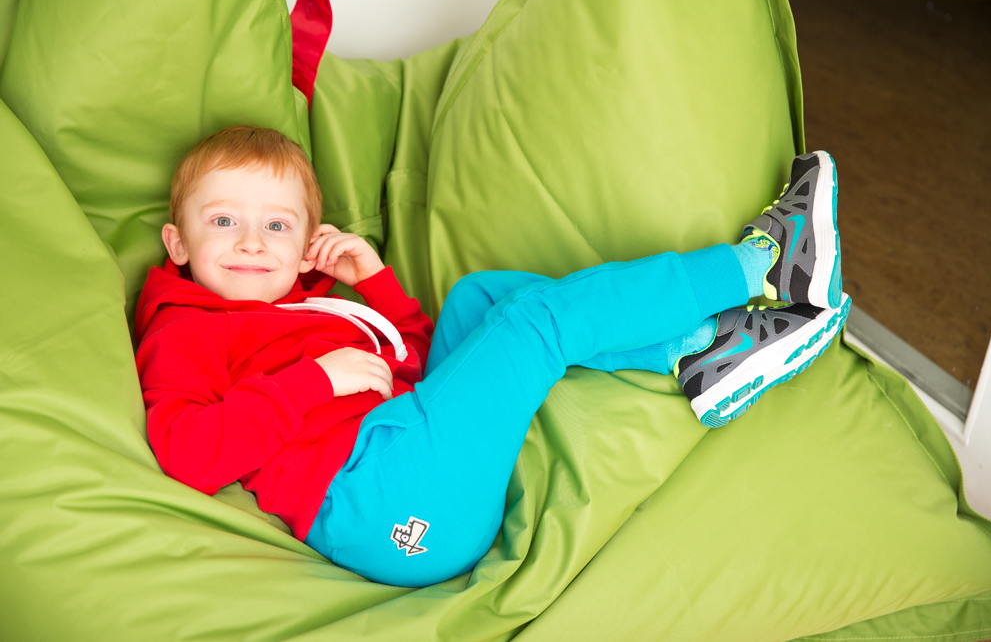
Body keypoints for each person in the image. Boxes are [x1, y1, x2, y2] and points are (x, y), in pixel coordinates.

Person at [135, 125, 851, 588]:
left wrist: (372, 281)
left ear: (304, 245)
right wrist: (314, 381)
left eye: (276, 225)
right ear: (178, 243)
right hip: (384, 507)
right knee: (533, 324)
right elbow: (187, 451)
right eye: (223, 220)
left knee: (477, 300)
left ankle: (700, 350)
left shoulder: (311, 303)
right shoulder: (187, 326)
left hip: (406, 446)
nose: (250, 242)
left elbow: (420, 368)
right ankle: (765, 263)